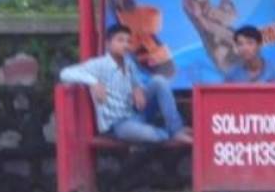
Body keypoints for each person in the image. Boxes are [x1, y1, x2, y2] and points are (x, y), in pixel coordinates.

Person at [206, 25, 275, 192]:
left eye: (249, 43)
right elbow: (224, 107)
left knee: (270, 159)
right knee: (221, 151)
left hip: (268, 133)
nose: (245, 48)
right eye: (240, 44)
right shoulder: (232, 75)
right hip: (240, 133)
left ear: (259, 45)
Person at [59, 24, 193, 144]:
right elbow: (65, 73)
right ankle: (167, 135)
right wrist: (93, 82)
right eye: (120, 40)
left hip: (136, 112)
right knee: (149, 135)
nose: (125, 45)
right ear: (107, 43)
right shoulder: (99, 64)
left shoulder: (129, 63)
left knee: (159, 81)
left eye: (128, 41)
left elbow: (137, 82)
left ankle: (176, 129)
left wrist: (138, 87)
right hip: (119, 125)